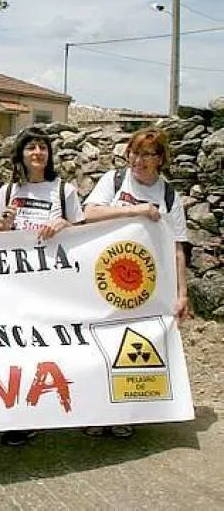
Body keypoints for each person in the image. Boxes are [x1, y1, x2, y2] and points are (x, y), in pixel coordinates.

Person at [81, 127, 192, 439]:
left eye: (147, 154)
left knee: (135, 347)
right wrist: (137, 210)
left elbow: (177, 247)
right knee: (100, 343)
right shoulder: (114, 181)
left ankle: (127, 412)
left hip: (145, 286)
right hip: (104, 278)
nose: (138, 160)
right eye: (134, 153)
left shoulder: (169, 196)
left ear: (160, 159)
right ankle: (98, 411)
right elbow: (90, 213)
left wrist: (182, 294)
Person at [0, 125, 84, 447]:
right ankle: (17, 415)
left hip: (52, 287)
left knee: (45, 352)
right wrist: (6, 223)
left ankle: (41, 412)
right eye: (31, 147)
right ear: (21, 155)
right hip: (13, 287)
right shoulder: (8, 191)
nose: (38, 152)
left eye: (43, 147)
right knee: (14, 353)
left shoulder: (64, 191)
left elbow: (84, 237)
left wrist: (65, 223)